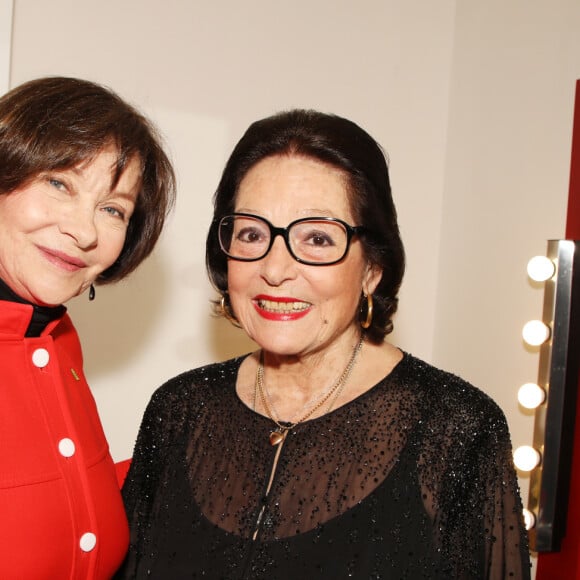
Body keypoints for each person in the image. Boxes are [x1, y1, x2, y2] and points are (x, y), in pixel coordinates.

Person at [118, 109, 530, 579]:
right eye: (251, 233)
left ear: (372, 267)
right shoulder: (180, 410)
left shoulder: (456, 429)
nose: (274, 269)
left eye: (317, 238)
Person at [0, 76, 175, 579]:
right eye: (59, 184)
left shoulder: (55, 340)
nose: (84, 231)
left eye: (112, 209)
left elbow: (53, 499)